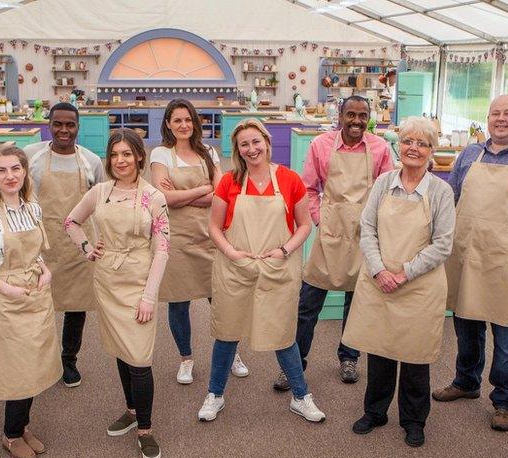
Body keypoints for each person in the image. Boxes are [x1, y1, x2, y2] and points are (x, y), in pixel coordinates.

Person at [433, 94, 508, 431]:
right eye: (494, 113)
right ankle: (466, 381)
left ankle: (504, 400)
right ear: (487, 119)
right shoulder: (469, 155)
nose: (500, 119)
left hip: (507, 259)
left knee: (506, 332)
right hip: (466, 254)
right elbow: (451, 198)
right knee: (466, 323)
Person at [196, 119, 325, 423]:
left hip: (277, 267)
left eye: (256, 142)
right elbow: (214, 226)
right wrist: (230, 252)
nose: (251, 149)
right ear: (237, 150)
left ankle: (301, 396)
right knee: (227, 333)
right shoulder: (228, 182)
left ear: (267, 142)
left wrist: (284, 250)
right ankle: (215, 394)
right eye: (244, 144)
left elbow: (305, 225)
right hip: (235, 266)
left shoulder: (290, 180)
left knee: (282, 333)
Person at [342, 117, 454, 447]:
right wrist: (379, 271)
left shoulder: (440, 191)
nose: (414, 149)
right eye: (408, 141)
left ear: (432, 150)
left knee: (416, 356)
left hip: (419, 285)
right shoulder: (383, 183)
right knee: (380, 349)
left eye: (422, 143)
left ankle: (414, 420)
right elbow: (368, 229)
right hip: (380, 281)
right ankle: (375, 411)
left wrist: (404, 273)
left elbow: (443, 243)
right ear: (398, 146)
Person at [66, 128, 169, 458]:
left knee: (140, 357)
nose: (120, 161)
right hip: (108, 280)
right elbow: (71, 222)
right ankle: (130, 409)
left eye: (127, 154)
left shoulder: (154, 197)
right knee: (122, 351)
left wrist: (149, 297)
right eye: (114, 155)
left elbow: (163, 251)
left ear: (139, 156)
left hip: (140, 280)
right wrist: (86, 247)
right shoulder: (100, 192)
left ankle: (145, 428)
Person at [287, 95, 394, 391]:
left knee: (355, 303)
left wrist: (374, 228)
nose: (356, 121)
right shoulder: (321, 145)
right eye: (351, 115)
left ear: (369, 118)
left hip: (364, 235)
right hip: (330, 233)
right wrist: (322, 219)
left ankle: (349, 358)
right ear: (341, 116)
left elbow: (387, 193)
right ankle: (295, 364)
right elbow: (308, 189)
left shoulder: (381, 148)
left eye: (362, 116)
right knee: (308, 304)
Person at [0, 145, 61, 458]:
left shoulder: (32, 208)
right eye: (2, 170)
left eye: (16, 169)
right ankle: (10, 433)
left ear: (24, 172)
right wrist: (7, 289)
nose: (10, 176)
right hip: (7, 301)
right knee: (17, 369)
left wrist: (45, 272)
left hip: (36, 295)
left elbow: (37, 252)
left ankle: (22, 426)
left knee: (35, 365)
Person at [150, 99, 248, 384]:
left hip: (210, 235)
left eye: (188, 120)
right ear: (168, 123)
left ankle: (232, 352)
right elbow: (163, 198)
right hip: (177, 239)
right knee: (179, 303)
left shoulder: (209, 152)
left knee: (221, 298)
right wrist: (205, 188)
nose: (183, 125)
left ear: (195, 123)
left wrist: (185, 194)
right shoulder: (161, 154)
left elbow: (222, 194)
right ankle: (186, 358)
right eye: (177, 120)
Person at [23, 102, 106, 388]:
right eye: (58, 124)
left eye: (70, 125)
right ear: (49, 124)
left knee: (75, 306)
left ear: (77, 127)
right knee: (38, 304)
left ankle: (69, 360)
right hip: (40, 243)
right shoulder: (31, 157)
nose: (63, 130)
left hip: (78, 246)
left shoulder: (91, 162)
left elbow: (101, 205)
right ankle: (39, 361)